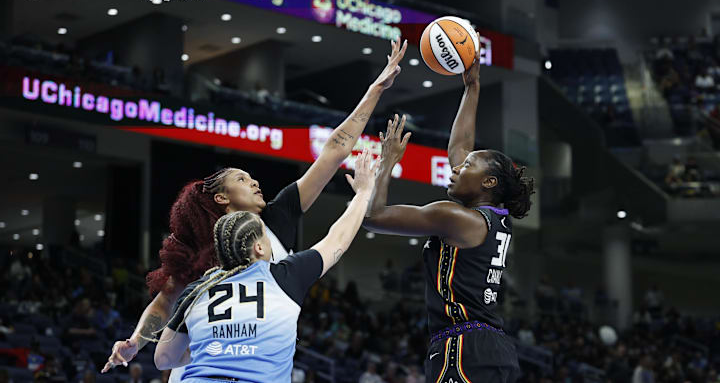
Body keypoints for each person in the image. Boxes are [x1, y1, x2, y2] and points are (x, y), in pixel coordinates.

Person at [102, 39, 407, 378]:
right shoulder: (197, 250)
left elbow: (333, 151)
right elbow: (162, 304)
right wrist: (135, 341)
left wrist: (375, 90)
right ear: (221, 198)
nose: (255, 182)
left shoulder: (279, 215)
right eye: (243, 179)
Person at [363, 45, 535, 383]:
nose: (455, 168)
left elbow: (374, 216)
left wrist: (386, 165)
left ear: (488, 181)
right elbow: (460, 147)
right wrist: (472, 87)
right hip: (492, 348)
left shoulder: (455, 218)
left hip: (463, 346)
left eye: (467, 166)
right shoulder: (495, 216)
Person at [152, 149, 377, 382]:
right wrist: (364, 192)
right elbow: (338, 240)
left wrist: (211, 352)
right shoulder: (285, 277)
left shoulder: (195, 291)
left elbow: (163, 359)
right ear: (259, 247)